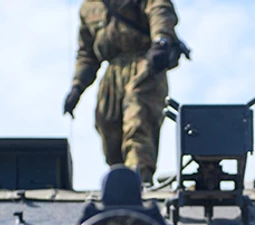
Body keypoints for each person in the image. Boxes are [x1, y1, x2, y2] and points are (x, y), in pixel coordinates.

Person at [63, 0, 181, 186]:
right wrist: (77, 87)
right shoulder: (88, 7)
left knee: (138, 118)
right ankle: (121, 179)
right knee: (106, 122)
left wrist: (161, 40)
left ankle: (138, 178)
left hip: (144, 63)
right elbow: (87, 53)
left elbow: (159, 9)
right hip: (113, 71)